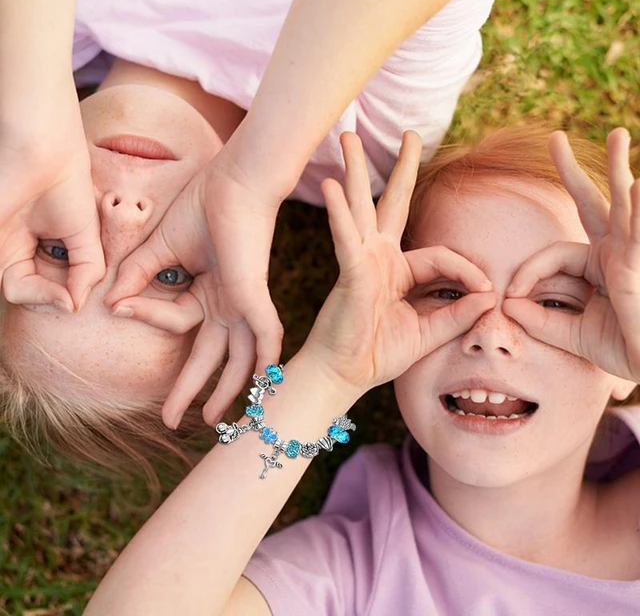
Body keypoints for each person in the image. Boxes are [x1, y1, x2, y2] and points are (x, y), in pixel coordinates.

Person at [83, 125, 640, 615]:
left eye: (556, 304)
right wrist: (328, 376)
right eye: (445, 292)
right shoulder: (358, 573)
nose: (490, 335)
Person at [0, 0, 499, 473]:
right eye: (168, 276)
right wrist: (254, 173)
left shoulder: (26, 45)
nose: (120, 216)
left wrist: (28, 125)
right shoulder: (360, 136)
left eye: (59, 250)